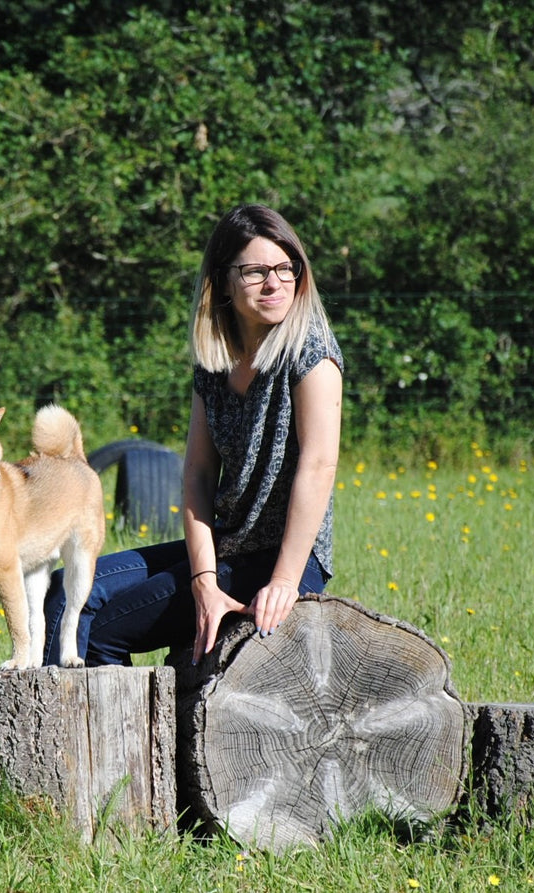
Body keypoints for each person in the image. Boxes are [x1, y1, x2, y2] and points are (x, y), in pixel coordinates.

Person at [42, 203, 343, 667]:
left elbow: (319, 466)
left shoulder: (312, 354)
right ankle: (57, 733)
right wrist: (203, 579)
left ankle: (104, 740)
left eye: (287, 268)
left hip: (283, 559)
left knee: (99, 628)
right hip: (226, 545)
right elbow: (199, 474)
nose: (275, 282)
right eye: (256, 270)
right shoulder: (214, 361)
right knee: (65, 591)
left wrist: (283, 582)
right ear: (223, 280)